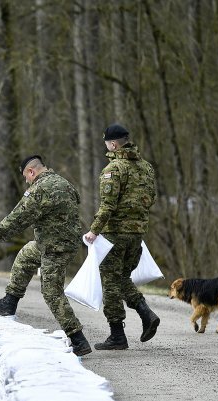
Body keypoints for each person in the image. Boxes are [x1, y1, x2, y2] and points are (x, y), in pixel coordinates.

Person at [0, 155, 91, 356]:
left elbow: (19, 217)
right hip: (59, 242)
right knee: (26, 254)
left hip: (55, 248)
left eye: (26, 177)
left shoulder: (39, 189)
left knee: (51, 292)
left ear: (31, 172)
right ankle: (10, 302)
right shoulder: (64, 183)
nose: (26, 181)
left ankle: (78, 338)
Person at [83, 123, 160, 349]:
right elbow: (151, 198)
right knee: (122, 278)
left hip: (114, 235)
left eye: (107, 143)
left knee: (110, 283)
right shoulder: (146, 168)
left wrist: (94, 230)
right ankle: (146, 314)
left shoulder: (113, 169)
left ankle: (117, 335)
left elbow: (108, 205)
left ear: (113, 144)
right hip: (137, 234)